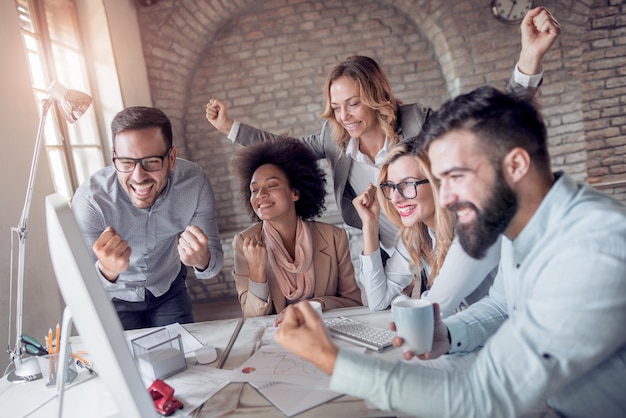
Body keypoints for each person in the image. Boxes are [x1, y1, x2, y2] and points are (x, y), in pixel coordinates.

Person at [274, 86, 626, 417]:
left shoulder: (593, 248)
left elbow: (482, 396)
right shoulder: (521, 226)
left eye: (456, 176)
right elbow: (503, 305)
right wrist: (450, 334)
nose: (445, 199)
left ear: (516, 165)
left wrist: (329, 359)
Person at [206, 8, 559, 253]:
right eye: (337, 106)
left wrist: (528, 61)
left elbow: (488, 125)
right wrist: (229, 127)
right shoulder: (334, 139)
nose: (344, 115)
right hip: (395, 258)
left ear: (376, 97)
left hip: (448, 243)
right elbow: (279, 146)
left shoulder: (419, 123)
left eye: (354, 103)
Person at [72, 106, 224, 330]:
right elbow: (80, 285)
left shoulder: (194, 183)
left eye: (151, 161)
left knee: (183, 359)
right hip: (114, 297)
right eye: (126, 162)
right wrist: (107, 271)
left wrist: (202, 260)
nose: (138, 176)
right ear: (114, 157)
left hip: (168, 287)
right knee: (127, 365)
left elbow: (215, 261)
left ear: (171, 158)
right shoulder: (90, 200)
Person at [353, 141, 499, 315]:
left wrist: (401, 301)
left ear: (438, 184)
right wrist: (370, 223)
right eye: (391, 186)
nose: (395, 198)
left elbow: (428, 310)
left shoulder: (473, 230)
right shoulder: (417, 234)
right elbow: (377, 300)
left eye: (408, 184)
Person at [230, 137, 362, 323]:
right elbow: (251, 318)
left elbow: (353, 302)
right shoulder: (245, 243)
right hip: (278, 340)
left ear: (295, 193)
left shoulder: (334, 238)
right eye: (254, 190)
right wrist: (257, 271)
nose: (261, 195)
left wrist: (314, 305)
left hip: (328, 332)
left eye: (272, 185)